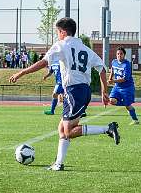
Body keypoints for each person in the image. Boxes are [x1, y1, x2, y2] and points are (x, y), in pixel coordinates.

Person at [9, 17, 120, 171]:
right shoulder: (85, 49)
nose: (57, 35)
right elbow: (102, 68)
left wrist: (21, 72)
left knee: (68, 131)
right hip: (79, 91)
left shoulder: (61, 45)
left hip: (75, 92)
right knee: (62, 128)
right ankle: (58, 164)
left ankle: (107, 128)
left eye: (57, 32)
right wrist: (104, 91)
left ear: (63, 32)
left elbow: (43, 62)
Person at [108, 46, 139, 125]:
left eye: (121, 54)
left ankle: (135, 120)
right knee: (111, 101)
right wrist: (110, 77)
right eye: (118, 54)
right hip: (117, 87)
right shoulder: (114, 62)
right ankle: (126, 103)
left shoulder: (127, 64)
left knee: (128, 106)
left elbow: (125, 78)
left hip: (127, 87)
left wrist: (113, 81)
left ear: (124, 55)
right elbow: (112, 69)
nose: (119, 55)